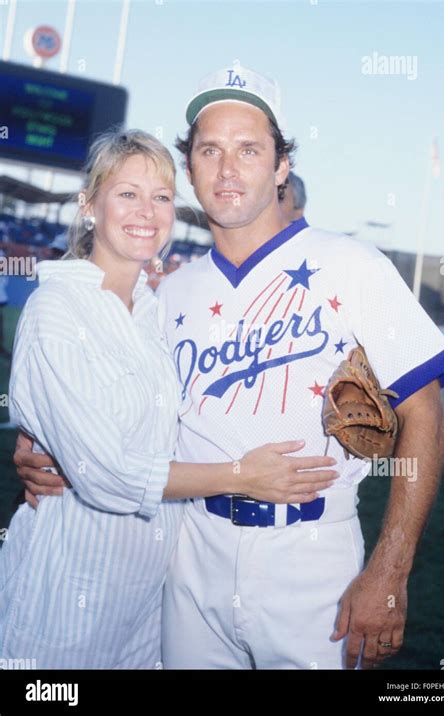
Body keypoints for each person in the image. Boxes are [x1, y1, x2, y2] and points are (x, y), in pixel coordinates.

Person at [15, 65, 444, 670]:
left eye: (248, 149)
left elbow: (425, 414)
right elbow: (116, 409)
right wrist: (48, 446)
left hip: (312, 553)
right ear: (191, 168)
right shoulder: (163, 295)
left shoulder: (351, 264)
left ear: (281, 167)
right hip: (187, 556)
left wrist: (391, 567)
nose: (227, 169)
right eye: (210, 151)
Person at [2, 129, 337, 669]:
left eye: (160, 196)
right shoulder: (56, 311)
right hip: (65, 596)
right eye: (127, 193)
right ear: (89, 205)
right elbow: (109, 473)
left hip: (149, 606)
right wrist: (241, 476)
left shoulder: (156, 311)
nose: (148, 211)